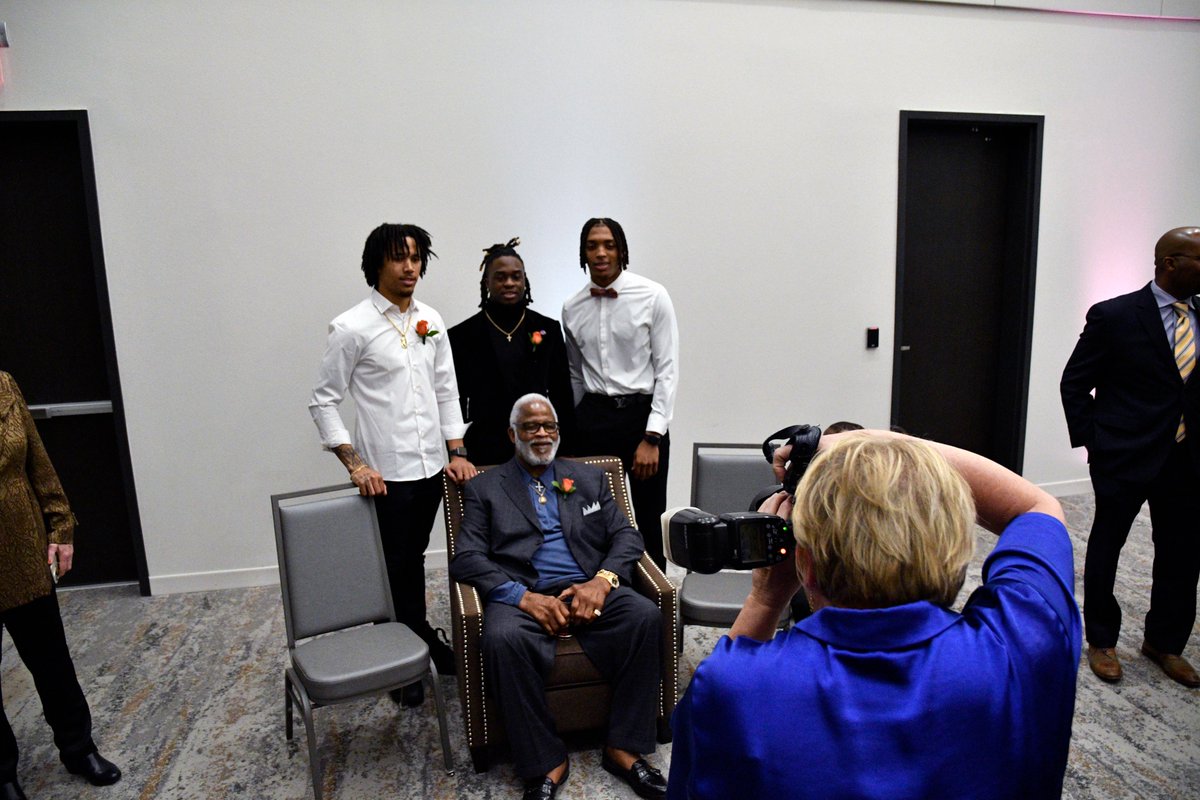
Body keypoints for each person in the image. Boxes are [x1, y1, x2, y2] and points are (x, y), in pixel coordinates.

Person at [668, 430, 1082, 800]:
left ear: (805, 563)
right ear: (958, 546)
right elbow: (1035, 505)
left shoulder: (734, 689)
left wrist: (764, 600)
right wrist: (861, 442)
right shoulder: (1024, 645)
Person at [449, 394, 666, 800]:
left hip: (586, 584)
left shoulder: (587, 478)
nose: (543, 434)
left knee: (644, 616)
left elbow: (626, 535)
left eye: (550, 426)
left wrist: (601, 581)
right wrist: (521, 597)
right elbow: (467, 558)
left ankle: (622, 746)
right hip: (523, 595)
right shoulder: (484, 488)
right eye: (531, 427)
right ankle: (546, 759)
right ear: (512, 434)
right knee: (501, 639)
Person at [308, 223, 477, 705]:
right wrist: (355, 464)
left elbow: (446, 390)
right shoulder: (351, 326)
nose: (410, 267)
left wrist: (457, 451)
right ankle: (400, 663)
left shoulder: (432, 320)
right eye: (399, 258)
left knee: (413, 561)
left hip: (432, 471)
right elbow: (322, 402)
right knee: (393, 564)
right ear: (376, 264)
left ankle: (417, 638)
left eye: (417, 257)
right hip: (385, 474)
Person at [1060, 226, 1200, 688]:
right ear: (1170, 264)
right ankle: (1101, 639)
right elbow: (1075, 383)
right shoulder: (1115, 315)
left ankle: (1165, 643)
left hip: (1187, 459)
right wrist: (1095, 443)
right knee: (1108, 546)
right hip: (1124, 454)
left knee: (1182, 553)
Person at [0, 371, 122, 800]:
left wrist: (60, 527)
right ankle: (1, 774)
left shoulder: (4, 385)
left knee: (52, 662)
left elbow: (38, 461)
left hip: (22, 553)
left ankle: (78, 749)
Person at [562, 218, 678, 570]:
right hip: (593, 420)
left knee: (647, 516)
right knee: (592, 516)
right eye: (592, 245)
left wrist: (652, 436)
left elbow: (667, 369)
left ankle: (653, 600)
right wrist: (573, 428)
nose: (600, 252)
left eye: (608, 245)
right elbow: (574, 375)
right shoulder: (572, 307)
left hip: (641, 420)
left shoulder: (652, 295)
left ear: (622, 250)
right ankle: (603, 595)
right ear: (583, 253)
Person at [448, 237, 576, 466]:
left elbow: (562, 394)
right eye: (500, 277)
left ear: (525, 281)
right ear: (486, 282)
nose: (509, 282)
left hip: (538, 443)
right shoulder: (461, 335)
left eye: (516, 276)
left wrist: (566, 450)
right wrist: (459, 453)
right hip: (483, 448)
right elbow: (454, 401)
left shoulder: (548, 329)